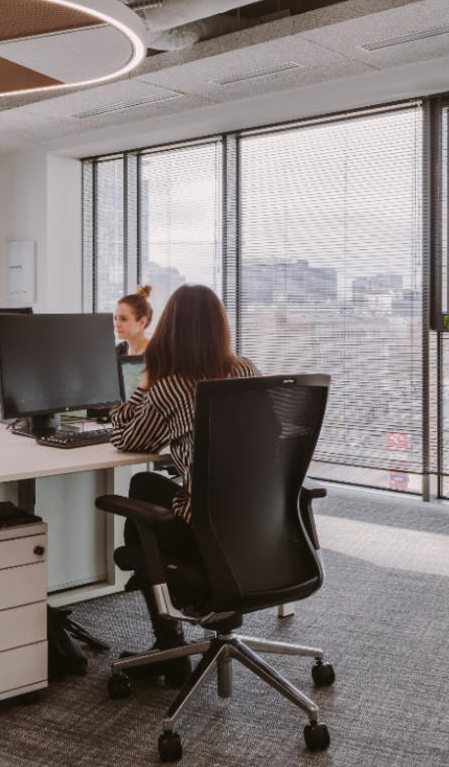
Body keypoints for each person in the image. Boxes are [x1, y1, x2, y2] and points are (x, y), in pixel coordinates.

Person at [110, 283, 260, 679]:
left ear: (170, 331)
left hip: (207, 534)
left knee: (139, 513)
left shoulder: (170, 385)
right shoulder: (246, 370)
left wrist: (146, 382)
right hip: (257, 530)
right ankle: (170, 645)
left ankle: (171, 646)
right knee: (146, 487)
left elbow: (124, 438)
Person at [114, 285, 153, 356]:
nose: (116, 324)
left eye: (123, 319)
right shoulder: (120, 350)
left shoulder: (155, 354)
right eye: (116, 318)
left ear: (142, 322)